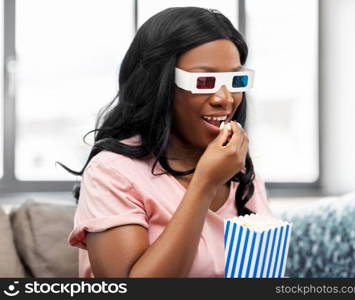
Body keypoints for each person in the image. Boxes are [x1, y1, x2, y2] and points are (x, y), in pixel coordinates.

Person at [61, 6, 273, 278]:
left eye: (235, 80)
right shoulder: (111, 174)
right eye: (204, 80)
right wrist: (204, 185)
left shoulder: (241, 174)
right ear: (157, 83)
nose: (226, 98)